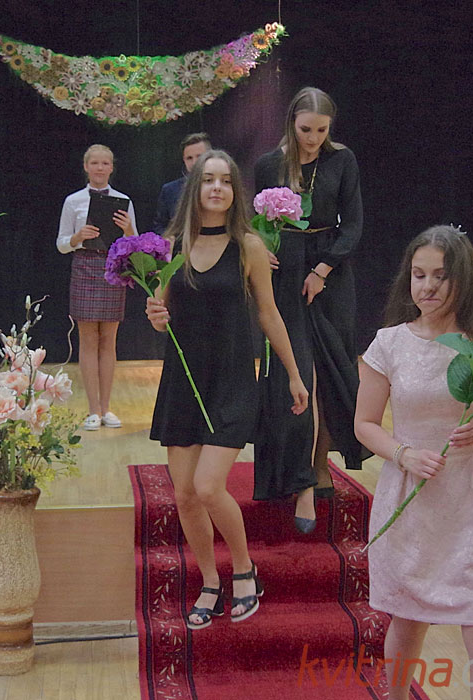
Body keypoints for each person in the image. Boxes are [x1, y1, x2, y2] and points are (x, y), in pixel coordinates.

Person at [146, 150, 308, 628]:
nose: (216, 187)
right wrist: (155, 315)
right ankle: (210, 581)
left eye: (225, 181)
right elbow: (159, 313)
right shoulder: (172, 245)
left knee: (208, 486)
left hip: (233, 380)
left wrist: (294, 374)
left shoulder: (249, 246)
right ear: (194, 188)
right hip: (184, 380)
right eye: (207, 180)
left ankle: (243, 568)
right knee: (184, 495)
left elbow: (268, 313)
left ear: (235, 192)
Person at [354, 225, 473, 699]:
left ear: (463, 280)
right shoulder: (389, 343)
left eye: (440, 276)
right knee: (408, 623)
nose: (427, 286)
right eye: (418, 274)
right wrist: (403, 454)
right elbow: (365, 424)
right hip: (413, 499)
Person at [253, 86, 366, 532]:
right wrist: (261, 245)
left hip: (330, 274)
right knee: (296, 375)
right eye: (306, 130)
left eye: (321, 130)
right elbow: (255, 222)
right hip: (286, 274)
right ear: (291, 123)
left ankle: (319, 466)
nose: (314, 139)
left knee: (330, 377)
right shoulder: (269, 164)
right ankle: (299, 479)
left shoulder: (343, 160)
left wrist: (323, 269)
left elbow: (353, 224)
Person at [56, 144, 137, 430]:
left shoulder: (123, 200)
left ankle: (106, 408)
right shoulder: (73, 201)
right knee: (88, 338)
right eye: (95, 163)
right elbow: (61, 244)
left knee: (109, 339)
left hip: (112, 266)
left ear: (112, 168)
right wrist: (78, 236)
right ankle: (92, 409)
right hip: (84, 266)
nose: (100, 168)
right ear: (86, 166)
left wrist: (128, 230)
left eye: (105, 163)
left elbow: (135, 243)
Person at [152, 132, 211, 235]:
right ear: (184, 160)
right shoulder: (169, 190)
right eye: (189, 158)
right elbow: (159, 226)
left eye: (199, 156)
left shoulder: (221, 187)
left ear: (210, 157)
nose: (194, 162)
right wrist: (169, 238)